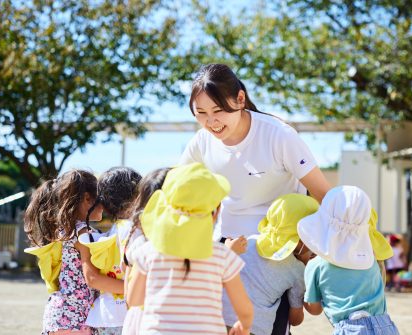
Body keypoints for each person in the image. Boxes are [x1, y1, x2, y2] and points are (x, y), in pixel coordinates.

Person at [179, 63, 331, 333]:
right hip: (227, 250)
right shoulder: (201, 143)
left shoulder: (278, 135)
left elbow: (324, 195)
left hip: (277, 253)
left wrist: (319, 247)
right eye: (200, 113)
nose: (211, 122)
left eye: (218, 110)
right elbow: (176, 194)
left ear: (240, 99)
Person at [126, 163, 254, 335]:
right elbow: (244, 309)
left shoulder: (148, 251)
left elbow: (134, 299)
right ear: (216, 212)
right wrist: (244, 326)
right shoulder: (222, 255)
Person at [299, 186, 399, 335]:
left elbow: (314, 309)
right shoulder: (370, 259)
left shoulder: (316, 265)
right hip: (386, 326)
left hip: (350, 329)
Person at [222, 193, 319, 335]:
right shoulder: (297, 271)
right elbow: (295, 319)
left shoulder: (249, 241)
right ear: (302, 238)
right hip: (254, 328)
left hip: (220, 318)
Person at [24, 170, 104, 335]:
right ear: (88, 198)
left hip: (60, 315)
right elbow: (93, 279)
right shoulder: (83, 233)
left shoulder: (64, 230)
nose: (104, 205)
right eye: (101, 198)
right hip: (75, 318)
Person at [78, 167, 142, 335]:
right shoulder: (135, 229)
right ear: (136, 195)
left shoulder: (116, 229)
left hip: (107, 313)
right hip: (127, 314)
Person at [121, 167, 170, 335]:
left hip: (139, 318)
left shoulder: (135, 236)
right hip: (153, 320)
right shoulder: (145, 244)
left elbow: (129, 294)